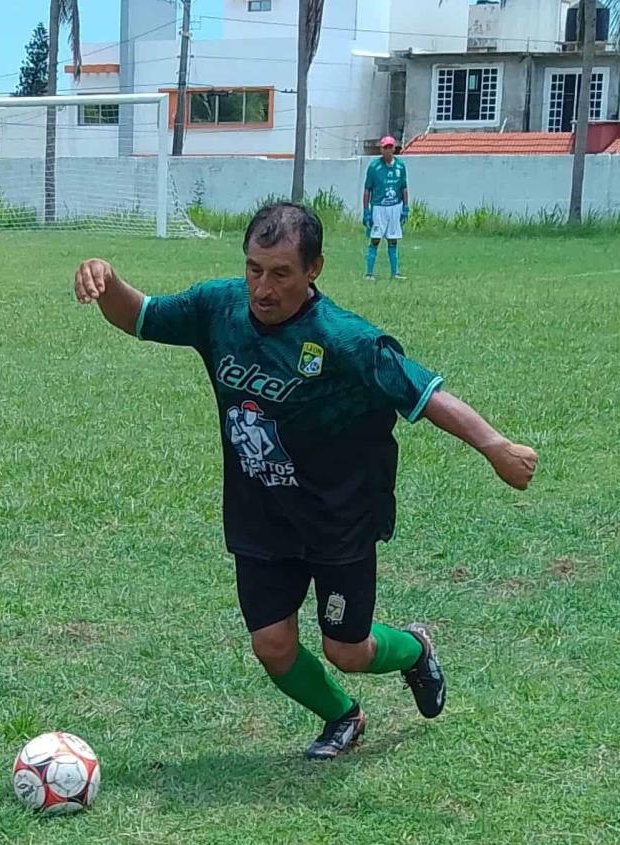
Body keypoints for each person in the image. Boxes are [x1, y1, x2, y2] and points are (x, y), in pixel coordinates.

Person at [72, 203, 537, 760]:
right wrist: (107, 279)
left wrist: (495, 446)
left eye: (281, 273)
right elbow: (141, 316)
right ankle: (343, 715)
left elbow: (423, 395)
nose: (262, 288)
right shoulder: (219, 308)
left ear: (314, 268)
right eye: (254, 269)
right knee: (271, 646)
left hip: (338, 519)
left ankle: (414, 649)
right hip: (262, 514)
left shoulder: (344, 339)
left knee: (348, 650)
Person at [363, 136, 409, 281]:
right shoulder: (374, 167)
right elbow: (367, 190)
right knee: (375, 239)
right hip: (379, 207)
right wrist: (366, 211)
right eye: (385, 147)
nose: (388, 150)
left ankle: (395, 272)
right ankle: (369, 273)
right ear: (381, 149)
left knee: (393, 240)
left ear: (394, 148)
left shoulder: (400, 166)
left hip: (395, 206)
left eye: (390, 147)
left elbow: (404, 187)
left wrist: (405, 207)